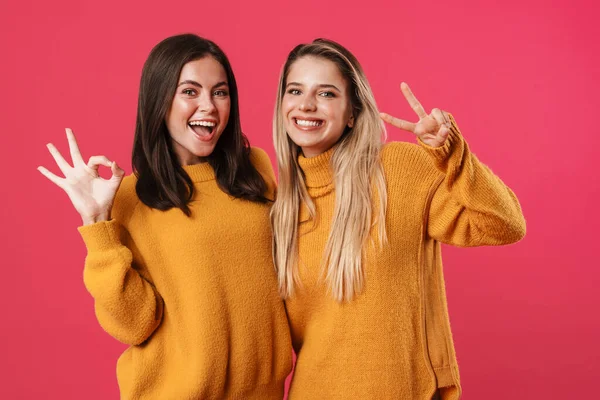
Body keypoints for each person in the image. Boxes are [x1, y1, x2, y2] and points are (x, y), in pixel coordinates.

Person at [38, 34, 292, 399]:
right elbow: (134, 324)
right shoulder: (129, 198)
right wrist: (96, 222)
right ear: (160, 100)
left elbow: (296, 265)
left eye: (220, 92)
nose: (209, 106)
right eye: (190, 91)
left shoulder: (256, 170)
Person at [270, 38, 526, 400]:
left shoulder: (398, 171)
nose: (306, 105)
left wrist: (451, 152)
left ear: (353, 112)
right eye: (295, 90)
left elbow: (504, 224)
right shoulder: (280, 209)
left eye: (326, 94)